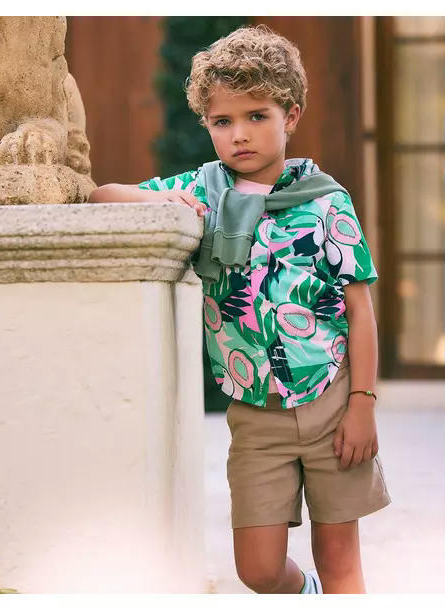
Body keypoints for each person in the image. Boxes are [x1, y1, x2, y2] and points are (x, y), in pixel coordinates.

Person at [89, 24, 391, 594]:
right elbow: (101, 194)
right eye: (222, 121)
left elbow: (360, 310)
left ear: (290, 115)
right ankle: (305, 595)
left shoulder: (327, 201)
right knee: (257, 569)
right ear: (207, 125)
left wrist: (362, 403)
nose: (240, 134)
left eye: (256, 115)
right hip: (256, 411)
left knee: (340, 559)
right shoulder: (204, 191)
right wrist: (160, 199)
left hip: (332, 398)